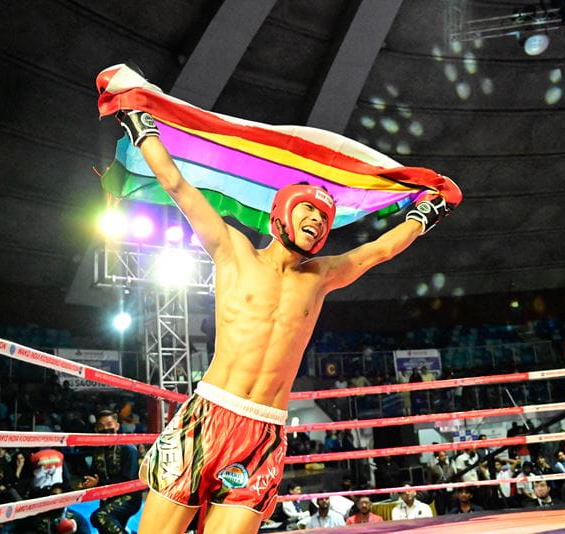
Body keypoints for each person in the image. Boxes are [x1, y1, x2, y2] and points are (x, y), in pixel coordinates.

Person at [102, 68, 458, 534]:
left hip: (263, 431)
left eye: (325, 217)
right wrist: (140, 121)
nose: (318, 221)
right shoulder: (233, 251)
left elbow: (379, 250)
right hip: (208, 416)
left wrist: (427, 212)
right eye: (309, 209)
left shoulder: (321, 276)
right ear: (281, 215)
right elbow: (178, 185)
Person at [77, 410, 142, 533]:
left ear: (117, 426)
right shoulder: (98, 451)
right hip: (107, 497)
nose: (105, 429)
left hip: (129, 497)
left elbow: (127, 481)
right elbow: (93, 474)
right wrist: (86, 482)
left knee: (100, 516)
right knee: (105, 528)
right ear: (96, 429)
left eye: (109, 425)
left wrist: (99, 483)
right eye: (101, 426)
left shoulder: (128, 449)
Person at [428, 450, 456, 514]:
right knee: (441, 512)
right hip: (439, 495)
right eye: (441, 456)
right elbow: (430, 482)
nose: (443, 457)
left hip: (450, 494)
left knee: (453, 512)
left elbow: (455, 480)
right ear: (438, 457)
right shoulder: (434, 468)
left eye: (445, 455)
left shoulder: (450, 467)